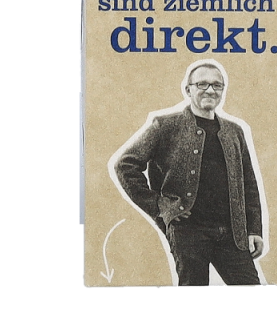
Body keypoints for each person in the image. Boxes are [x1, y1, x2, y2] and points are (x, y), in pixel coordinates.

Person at [112, 59, 265, 286]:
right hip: (188, 233)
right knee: (193, 296)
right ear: (188, 89)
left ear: (222, 90)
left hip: (233, 234)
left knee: (250, 291)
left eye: (217, 85)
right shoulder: (165, 126)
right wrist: (160, 206)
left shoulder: (235, 131)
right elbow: (125, 165)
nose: (210, 90)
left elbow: (249, 184)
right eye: (202, 84)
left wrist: (254, 229)